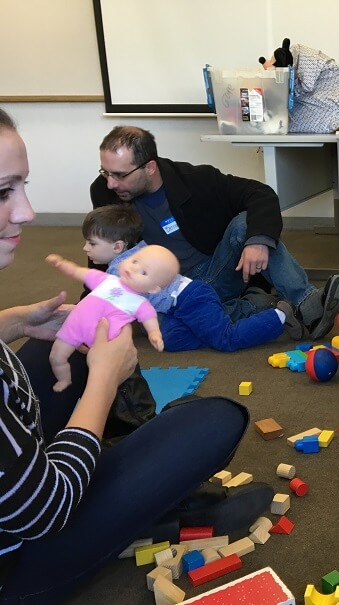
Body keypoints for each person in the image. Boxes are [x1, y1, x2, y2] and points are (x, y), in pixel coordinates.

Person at [0, 109, 273, 604]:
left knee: (72, 347)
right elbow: (41, 510)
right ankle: (157, 500)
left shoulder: (193, 183)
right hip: (19, 550)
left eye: (22, 186)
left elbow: (256, 198)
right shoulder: (113, 216)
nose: (27, 212)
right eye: (3, 192)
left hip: (202, 285)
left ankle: (136, 472)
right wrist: (105, 382)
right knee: (215, 419)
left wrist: (18, 321)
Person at [89, 125, 339, 340]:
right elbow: (105, 247)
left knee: (245, 225)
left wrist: (257, 241)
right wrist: (90, 303)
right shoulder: (104, 191)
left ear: (150, 167)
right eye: (106, 172)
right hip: (165, 291)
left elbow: (259, 194)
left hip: (215, 272)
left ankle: (310, 307)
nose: (111, 183)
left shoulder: (195, 180)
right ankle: (259, 306)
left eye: (120, 175)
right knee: (157, 325)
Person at [83, 205, 304, 352]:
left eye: (91, 243)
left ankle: (279, 316)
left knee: (225, 340)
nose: (85, 249)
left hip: (191, 297)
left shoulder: (120, 270)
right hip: (177, 306)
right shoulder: (135, 252)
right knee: (169, 339)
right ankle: (246, 309)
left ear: (118, 246)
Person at [46, 245, 179, 391]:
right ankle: (64, 379)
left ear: (153, 289)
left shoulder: (140, 303)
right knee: (56, 357)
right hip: (74, 327)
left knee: (103, 371)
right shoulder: (106, 279)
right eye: (135, 261)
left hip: (104, 340)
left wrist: (154, 334)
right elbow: (78, 272)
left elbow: (150, 320)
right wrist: (61, 263)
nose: (134, 268)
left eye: (144, 272)